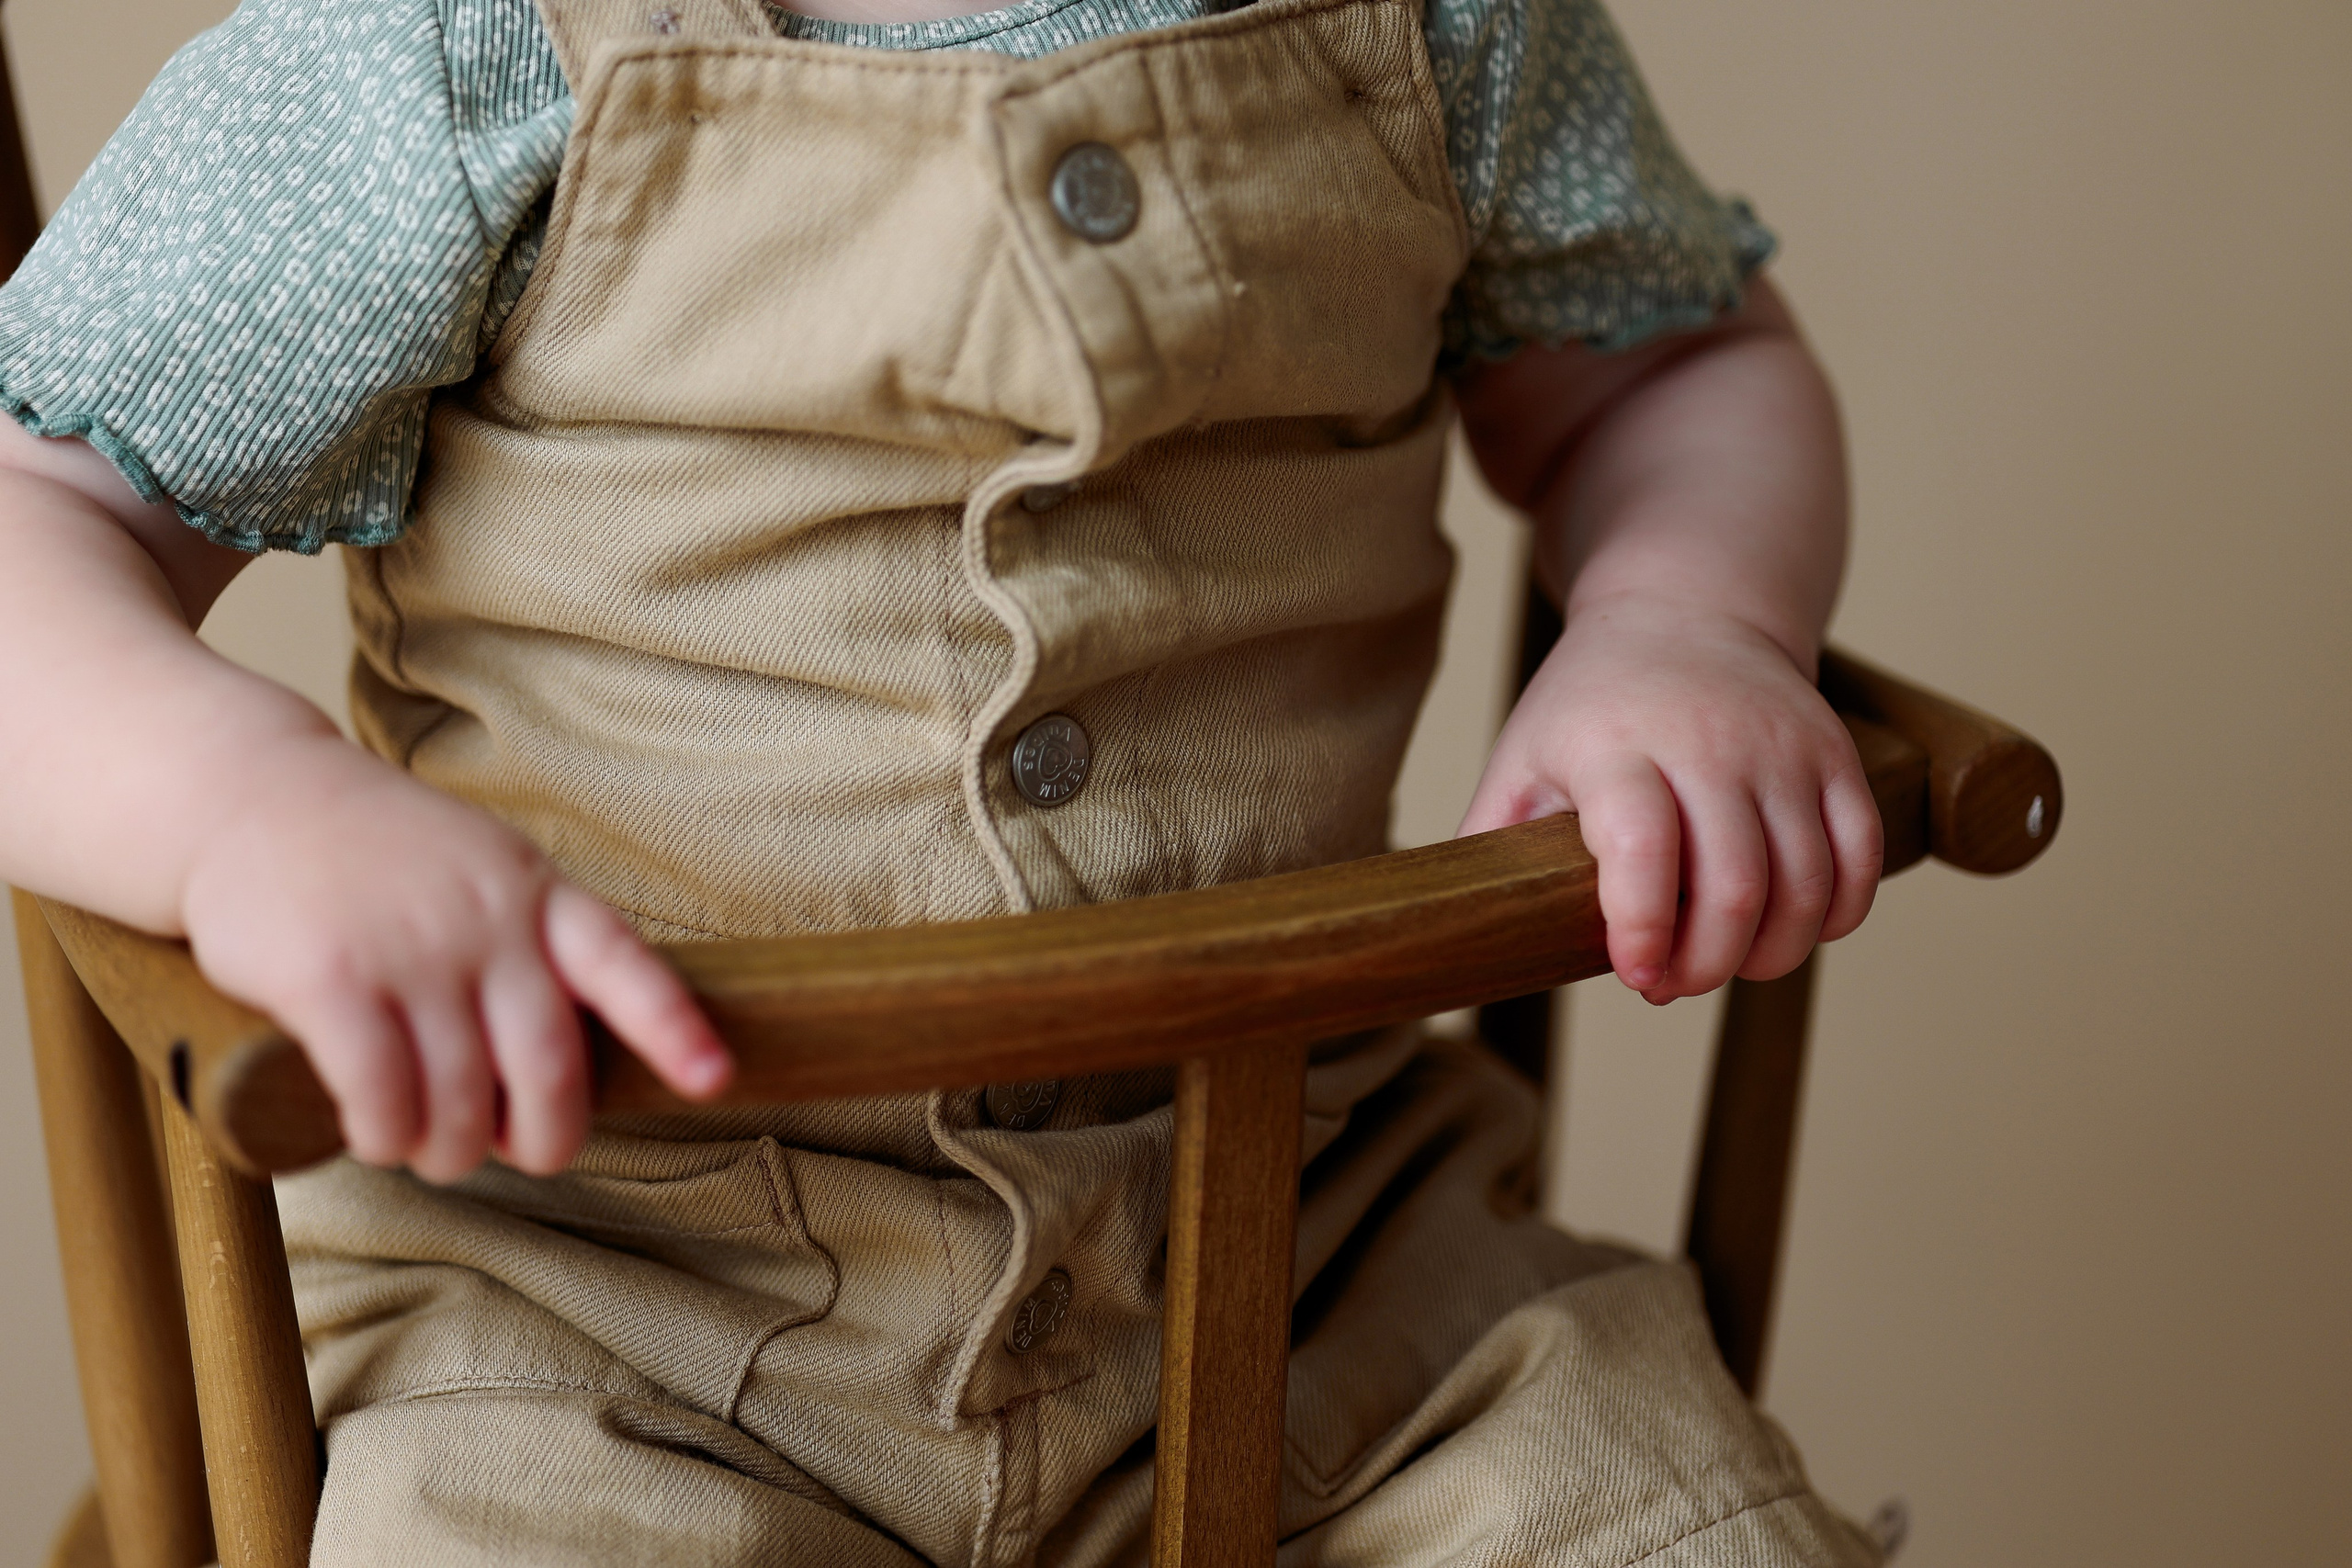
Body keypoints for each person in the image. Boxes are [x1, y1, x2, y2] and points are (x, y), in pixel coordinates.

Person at [0, 0, 1886, 1560]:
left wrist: (1685, 617)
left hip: (1326, 1248)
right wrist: (253, 804)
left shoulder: (1434, 25)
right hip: (585, 1287)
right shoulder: (438, 49)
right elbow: (30, 518)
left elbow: (1664, 363)